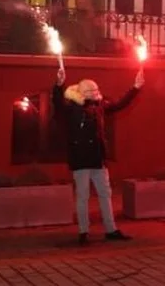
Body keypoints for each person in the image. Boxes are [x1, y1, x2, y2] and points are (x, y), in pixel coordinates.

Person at [53, 68, 141, 245]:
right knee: (83, 196)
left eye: (96, 90)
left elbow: (119, 105)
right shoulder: (71, 108)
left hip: (98, 160)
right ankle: (83, 232)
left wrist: (135, 87)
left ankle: (111, 230)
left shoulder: (100, 105)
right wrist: (59, 84)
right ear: (81, 92)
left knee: (105, 194)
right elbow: (57, 102)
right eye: (91, 91)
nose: (95, 93)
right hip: (80, 159)